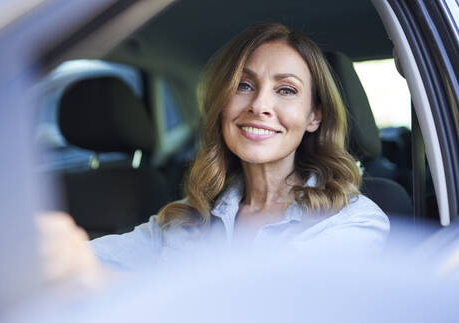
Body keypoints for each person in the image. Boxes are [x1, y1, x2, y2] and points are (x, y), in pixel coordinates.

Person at [86, 23, 390, 271]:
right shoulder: (187, 219)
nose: (259, 106)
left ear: (314, 116)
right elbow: (82, 262)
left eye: (286, 90)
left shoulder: (353, 222)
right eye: (243, 85)